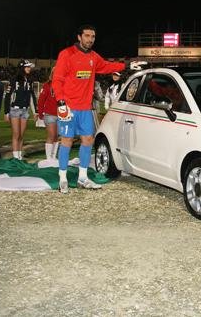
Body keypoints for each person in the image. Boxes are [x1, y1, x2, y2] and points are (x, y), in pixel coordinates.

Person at [52, 24, 144, 193]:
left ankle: (82, 177)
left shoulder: (94, 57)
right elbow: (57, 79)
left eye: (93, 37)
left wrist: (127, 66)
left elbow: (107, 66)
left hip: (86, 108)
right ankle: (63, 178)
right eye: (87, 36)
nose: (90, 39)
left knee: (88, 140)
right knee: (66, 141)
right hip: (69, 107)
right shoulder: (66, 54)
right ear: (79, 37)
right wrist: (60, 101)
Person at [4, 59, 37, 160]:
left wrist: (35, 111)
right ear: (22, 68)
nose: (29, 68)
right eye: (27, 67)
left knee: (21, 135)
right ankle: (15, 157)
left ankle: (19, 156)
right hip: (15, 109)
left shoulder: (30, 80)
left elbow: (32, 96)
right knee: (16, 134)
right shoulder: (14, 79)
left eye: (29, 67)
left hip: (25, 110)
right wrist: (6, 112)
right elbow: (8, 96)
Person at [37, 67, 59, 160]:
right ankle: (49, 158)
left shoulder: (64, 85)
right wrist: (40, 113)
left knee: (56, 137)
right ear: (52, 74)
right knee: (51, 135)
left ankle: (53, 157)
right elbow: (41, 100)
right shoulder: (47, 85)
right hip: (50, 114)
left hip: (61, 115)